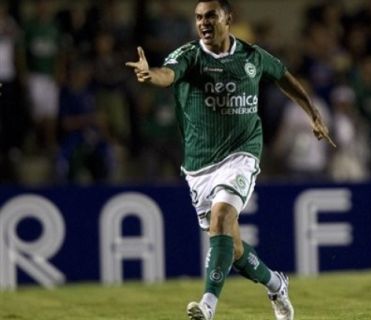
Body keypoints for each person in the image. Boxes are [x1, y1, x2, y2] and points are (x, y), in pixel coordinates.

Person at [126, 1, 334, 319]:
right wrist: (148, 74)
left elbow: (283, 76)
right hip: (199, 167)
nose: (203, 23)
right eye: (198, 17)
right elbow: (167, 75)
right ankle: (276, 284)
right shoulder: (189, 57)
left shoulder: (251, 56)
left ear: (228, 19)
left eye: (210, 16)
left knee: (223, 217)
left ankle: (207, 306)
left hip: (242, 154)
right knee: (233, 249)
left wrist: (314, 114)